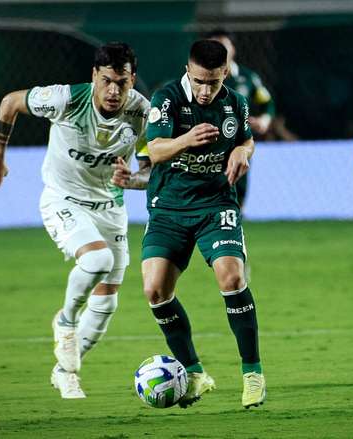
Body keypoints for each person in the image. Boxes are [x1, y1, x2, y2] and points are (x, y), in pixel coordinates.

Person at [0, 42, 151, 399]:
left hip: (110, 208)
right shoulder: (64, 100)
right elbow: (10, 102)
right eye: (106, 81)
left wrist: (132, 180)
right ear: (94, 76)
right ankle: (66, 321)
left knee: (107, 303)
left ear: (132, 79)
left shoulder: (141, 113)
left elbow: (150, 173)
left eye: (122, 82)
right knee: (97, 260)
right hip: (63, 199)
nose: (113, 90)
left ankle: (65, 371)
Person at [113, 39, 266, 409]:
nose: (204, 90)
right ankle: (196, 373)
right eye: (198, 81)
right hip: (168, 207)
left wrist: (243, 154)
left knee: (232, 277)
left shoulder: (236, 103)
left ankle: (253, 374)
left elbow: (246, 140)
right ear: (188, 70)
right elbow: (156, 148)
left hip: (216, 204)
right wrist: (186, 139)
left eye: (212, 82)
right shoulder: (167, 99)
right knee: (154, 290)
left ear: (224, 74)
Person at [206, 29, 275, 208]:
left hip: (239, 143)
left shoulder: (248, 78)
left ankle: (236, 223)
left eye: (223, 46)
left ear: (233, 49)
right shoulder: (200, 79)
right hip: (208, 144)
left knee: (239, 190)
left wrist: (264, 120)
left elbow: (267, 102)